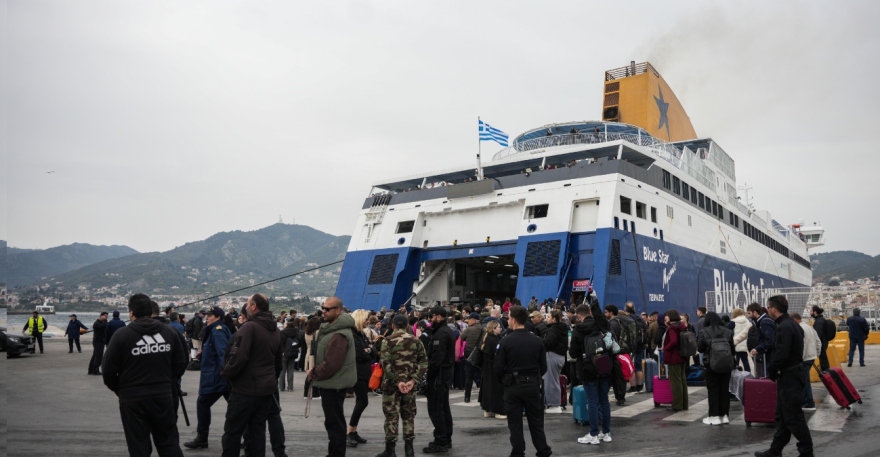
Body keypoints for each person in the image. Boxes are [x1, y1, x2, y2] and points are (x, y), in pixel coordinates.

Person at [102, 293, 188, 457]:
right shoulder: (170, 332)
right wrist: (168, 381)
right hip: (162, 396)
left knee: (139, 447)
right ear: (151, 311)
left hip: (133, 399)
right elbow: (181, 362)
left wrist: (121, 389)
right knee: (168, 443)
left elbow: (107, 371)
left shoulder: (121, 335)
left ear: (131, 313)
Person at [219, 293, 284, 457]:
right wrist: (270, 379)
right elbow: (278, 363)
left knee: (233, 432)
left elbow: (239, 357)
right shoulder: (275, 330)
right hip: (266, 390)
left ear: (254, 306)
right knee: (257, 431)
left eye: (248, 304)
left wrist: (226, 373)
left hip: (245, 390)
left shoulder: (249, 327)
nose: (246, 306)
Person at [755, 296, 814, 457]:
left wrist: (771, 369)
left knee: (794, 417)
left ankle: (807, 452)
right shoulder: (792, 325)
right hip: (791, 375)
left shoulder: (784, 327)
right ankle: (775, 450)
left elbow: (781, 353)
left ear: (773, 309)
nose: (768, 310)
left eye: (768, 308)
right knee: (781, 417)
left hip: (790, 377)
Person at [494, 306, 552, 457]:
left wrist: (505, 381)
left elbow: (498, 367)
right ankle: (543, 450)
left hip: (512, 386)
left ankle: (518, 451)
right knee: (536, 421)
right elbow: (543, 366)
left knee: (515, 423)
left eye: (509, 318)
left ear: (513, 320)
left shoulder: (505, 341)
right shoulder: (537, 340)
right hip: (532, 385)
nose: (508, 320)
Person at [309, 297, 357, 457]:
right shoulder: (332, 330)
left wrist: (313, 373)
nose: (323, 311)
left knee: (335, 423)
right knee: (334, 422)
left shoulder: (339, 334)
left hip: (334, 384)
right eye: (323, 308)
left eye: (327, 309)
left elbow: (331, 364)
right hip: (332, 383)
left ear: (337, 311)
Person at [376, 314, 429, 457]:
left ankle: (390, 450)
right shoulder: (416, 341)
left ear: (392, 325)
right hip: (410, 386)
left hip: (391, 386)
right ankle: (409, 449)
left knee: (391, 416)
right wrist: (413, 380)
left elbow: (386, 364)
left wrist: (397, 381)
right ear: (407, 325)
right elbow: (424, 362)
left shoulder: (387, 340)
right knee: (408, 416)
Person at [183, 306, 232, 450]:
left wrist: (224, 373)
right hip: (220, 376)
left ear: (218, 317)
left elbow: (222, 353)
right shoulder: (218, 329)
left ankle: (202, 437)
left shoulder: (217, 331)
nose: (207, 318)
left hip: (216, 377)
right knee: (235, 407)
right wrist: (204, 352)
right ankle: (246, 437)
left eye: (210, 316)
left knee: (203, 403)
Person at [570, 302, 614, 445]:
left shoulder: (578, 330)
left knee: (592, 401)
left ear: (579, 316)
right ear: (590, 313)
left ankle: (593, 434)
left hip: (587, 369)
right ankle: (606, 433)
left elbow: (573, 352)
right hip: (603, 366)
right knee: (604, 400)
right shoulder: (599, 325)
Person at [423, 306, 456, 454]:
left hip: (439, 374)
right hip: (445, 373)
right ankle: (446, 438)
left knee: (436, 408)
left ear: (438, 317)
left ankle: (441, 440)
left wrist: (429, 375)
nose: (430, 320)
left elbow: (437, 358)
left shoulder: (441, 334)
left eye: (431, 317)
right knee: (443, 407)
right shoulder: (446, 330)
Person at [696, 312, 735, 425]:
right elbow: (732, 349)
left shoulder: (704, 331)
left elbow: (700, 348)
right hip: (726, 364)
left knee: (713, 390)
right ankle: (724, 416)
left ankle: (714, 416)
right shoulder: (727, 331)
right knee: (724, 389)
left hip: (711, 364)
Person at [347, 309, 376, 448]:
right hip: (357, 372)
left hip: (363, 372)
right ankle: (349, 431)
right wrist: (369, 350)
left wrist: (369, 350)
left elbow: (372, 352)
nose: (368, 321)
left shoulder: (361, 334)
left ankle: (353, 431)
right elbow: (360, 354)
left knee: (361, 401)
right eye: (366, 319)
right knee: (363, 401)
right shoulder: (354, 335)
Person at [792, 312, 821, 411]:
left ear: (795, 319)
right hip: (811, 357)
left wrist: (800, 358)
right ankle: (804, 401)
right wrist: (816, 354)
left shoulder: (799, 328)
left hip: (804, 359)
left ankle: (809, 403)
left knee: (805, 381)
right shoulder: (810, 327)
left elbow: (802, 345)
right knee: (804, 380)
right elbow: (818, 342)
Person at [542, 310, 568, 414]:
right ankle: (554, 403)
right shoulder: (562, 328)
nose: (546, 319)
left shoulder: (552, 330)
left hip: (553, 355)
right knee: (554, 379)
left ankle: (554, 405)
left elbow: (549, 342)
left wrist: (539, 340)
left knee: (551, 381)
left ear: (554, 319)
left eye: (548, 317)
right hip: (560, 356)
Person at [662, 309, 688, 411]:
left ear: (671, 317)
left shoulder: (672, 328)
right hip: (682, 355)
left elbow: (673, 341)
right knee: (682, 380)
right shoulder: (681, 326)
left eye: (667, 315)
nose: (665, 317)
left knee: (675, 381)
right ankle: (684, 404)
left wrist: (666, 348)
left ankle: (677, 405)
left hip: (674, 357)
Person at [480, 320, 505, 419]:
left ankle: (488, 409)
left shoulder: (487, 338)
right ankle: (498, 410)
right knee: (496, 389)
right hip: (493, 368)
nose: (501, 329)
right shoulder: (494, 341)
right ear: (493, 329)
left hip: (487, 368)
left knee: (488, 388)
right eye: (499, 327)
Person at [625, 302, 648, 393]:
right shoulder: (640, 318)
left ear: (626, 309)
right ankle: (640, 385)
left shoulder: (628, 319)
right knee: (638, 366)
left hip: (631, 345)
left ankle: (632, 386)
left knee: (630, 366)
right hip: (640, 344)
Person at [461, 312, 484, 403]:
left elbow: (461, 338)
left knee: (469, 376)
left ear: (474, 320)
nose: (468, 321)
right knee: (482, 375)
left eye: (469, 319)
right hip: (480, 355)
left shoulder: (468, 330)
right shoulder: (483, 329)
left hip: (469, 355)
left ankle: (467, 397)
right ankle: (482, 397)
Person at [748, 302, 775, 376]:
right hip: (767, 355)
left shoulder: (764, 322)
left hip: (769, 356)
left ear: (755, 312)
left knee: (765, 376)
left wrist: (758, 348)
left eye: (749, 313)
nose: (748, 316)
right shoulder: (762, 321)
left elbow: (770, 340)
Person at [303, 317, 322, 399]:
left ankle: (306, 393)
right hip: (314, 354)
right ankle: (315, 394)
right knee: (314, 374)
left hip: (308, 354)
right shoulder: (317, 332)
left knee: (309, 374)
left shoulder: (306, 333)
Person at [279, 318, 300, 392]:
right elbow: (299, 342)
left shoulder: (282, 333)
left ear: (287, 325)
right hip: (293, 353)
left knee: (282, 370)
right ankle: (290, 387)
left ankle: (281, 387)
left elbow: (279, 342)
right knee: (290, 370)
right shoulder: (296, 332)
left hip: (284, 353)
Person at [810, 306, 831, 371]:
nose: (810, 313)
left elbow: (817, 334)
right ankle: (826, 371)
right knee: (823, 357)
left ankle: (826, 372)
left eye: (811, 311)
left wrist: (814, 343)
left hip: (822, 342)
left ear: (815, 312)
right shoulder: (820, 320)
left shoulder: (819, 321)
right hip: (823, 341)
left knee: (823, 358)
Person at [731, 308, 752, 373]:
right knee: (745, 361)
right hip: (744, 344)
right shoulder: (748, 322)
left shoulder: (733, 322)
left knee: (736, 362)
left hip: (736, 344)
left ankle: (736, 374)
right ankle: (748, 374)